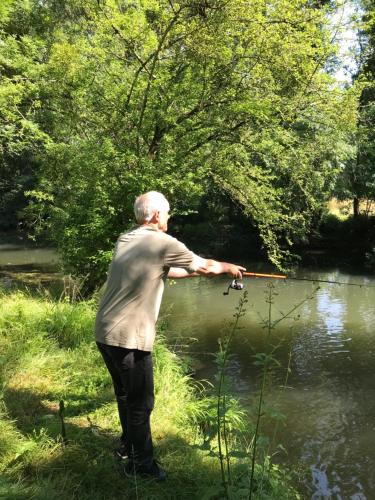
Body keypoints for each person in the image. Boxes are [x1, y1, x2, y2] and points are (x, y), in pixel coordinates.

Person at [95, 191, 245, 481]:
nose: (168, 218)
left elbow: (167, 270)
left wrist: (195, 273)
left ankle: (128, 447)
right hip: (129, 337)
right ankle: (142, 468)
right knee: (141, 403)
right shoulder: (162, 242)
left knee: (125, 395)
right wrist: (228, 268)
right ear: (154, 215)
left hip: (105, 331)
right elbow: (205, 265)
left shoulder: (127, 239)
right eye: (166, 213)